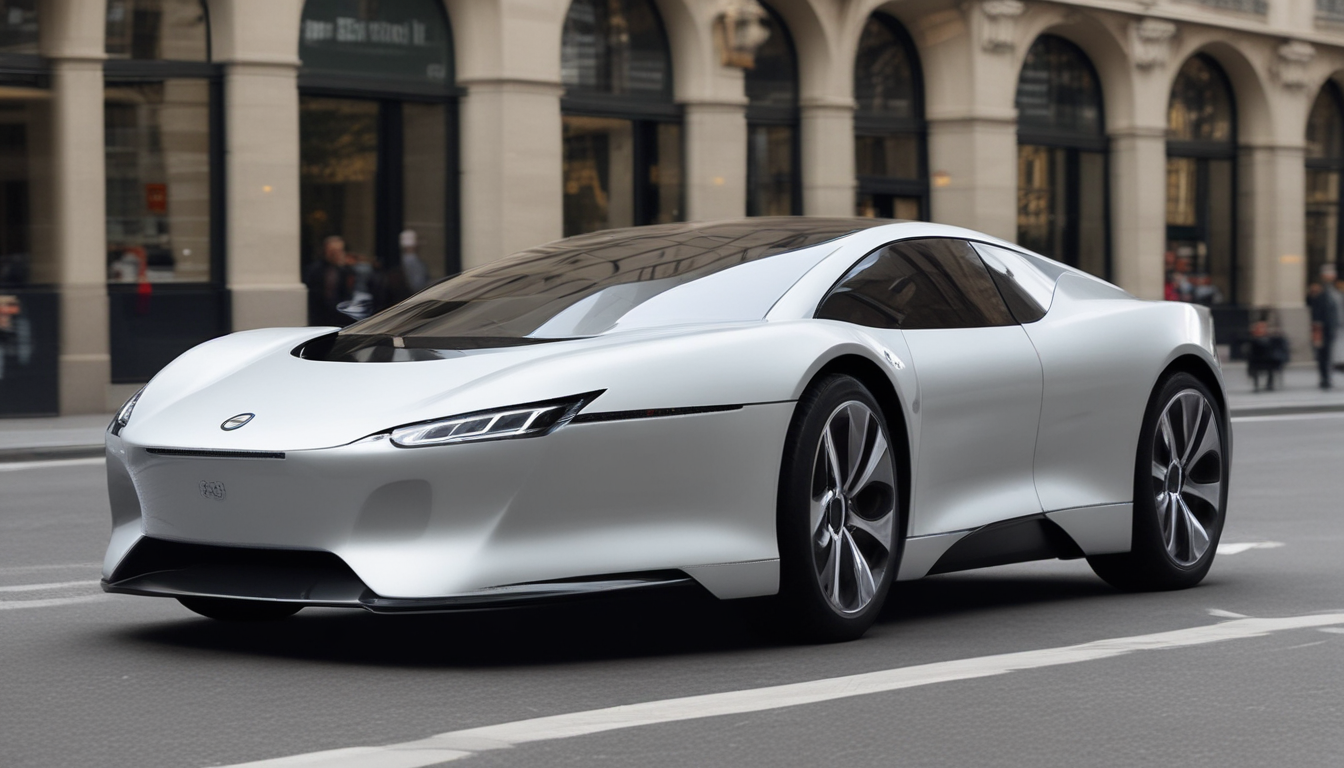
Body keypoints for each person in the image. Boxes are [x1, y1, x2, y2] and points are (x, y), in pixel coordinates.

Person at [303, 235, 354, 327]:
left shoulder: (345, 271)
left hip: (339, 317)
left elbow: (348, 294)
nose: (337, 254)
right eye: (333, 251)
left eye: (339, 251)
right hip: (319, 317)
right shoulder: (314, 270)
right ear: (326, 251)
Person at [1308, 281, 1339, 389]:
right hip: (1321, 331)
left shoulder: (1325, 298)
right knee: (1322, 356)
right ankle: (1324, 378)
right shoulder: (1316, 298)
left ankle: (1325, 378)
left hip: (1325, 331)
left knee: (1325, 356)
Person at [1244, 319, 1289, 392]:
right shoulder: (1252, 339)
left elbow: (1279, 347)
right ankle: (1258, 384)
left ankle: (1270, 383)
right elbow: (1250, 352)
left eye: (1263, 328)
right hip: (1257, 361)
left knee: (1272, 364)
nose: (1262, 330)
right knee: (1256, 366)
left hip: (1269, 361)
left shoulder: (1271, 339)